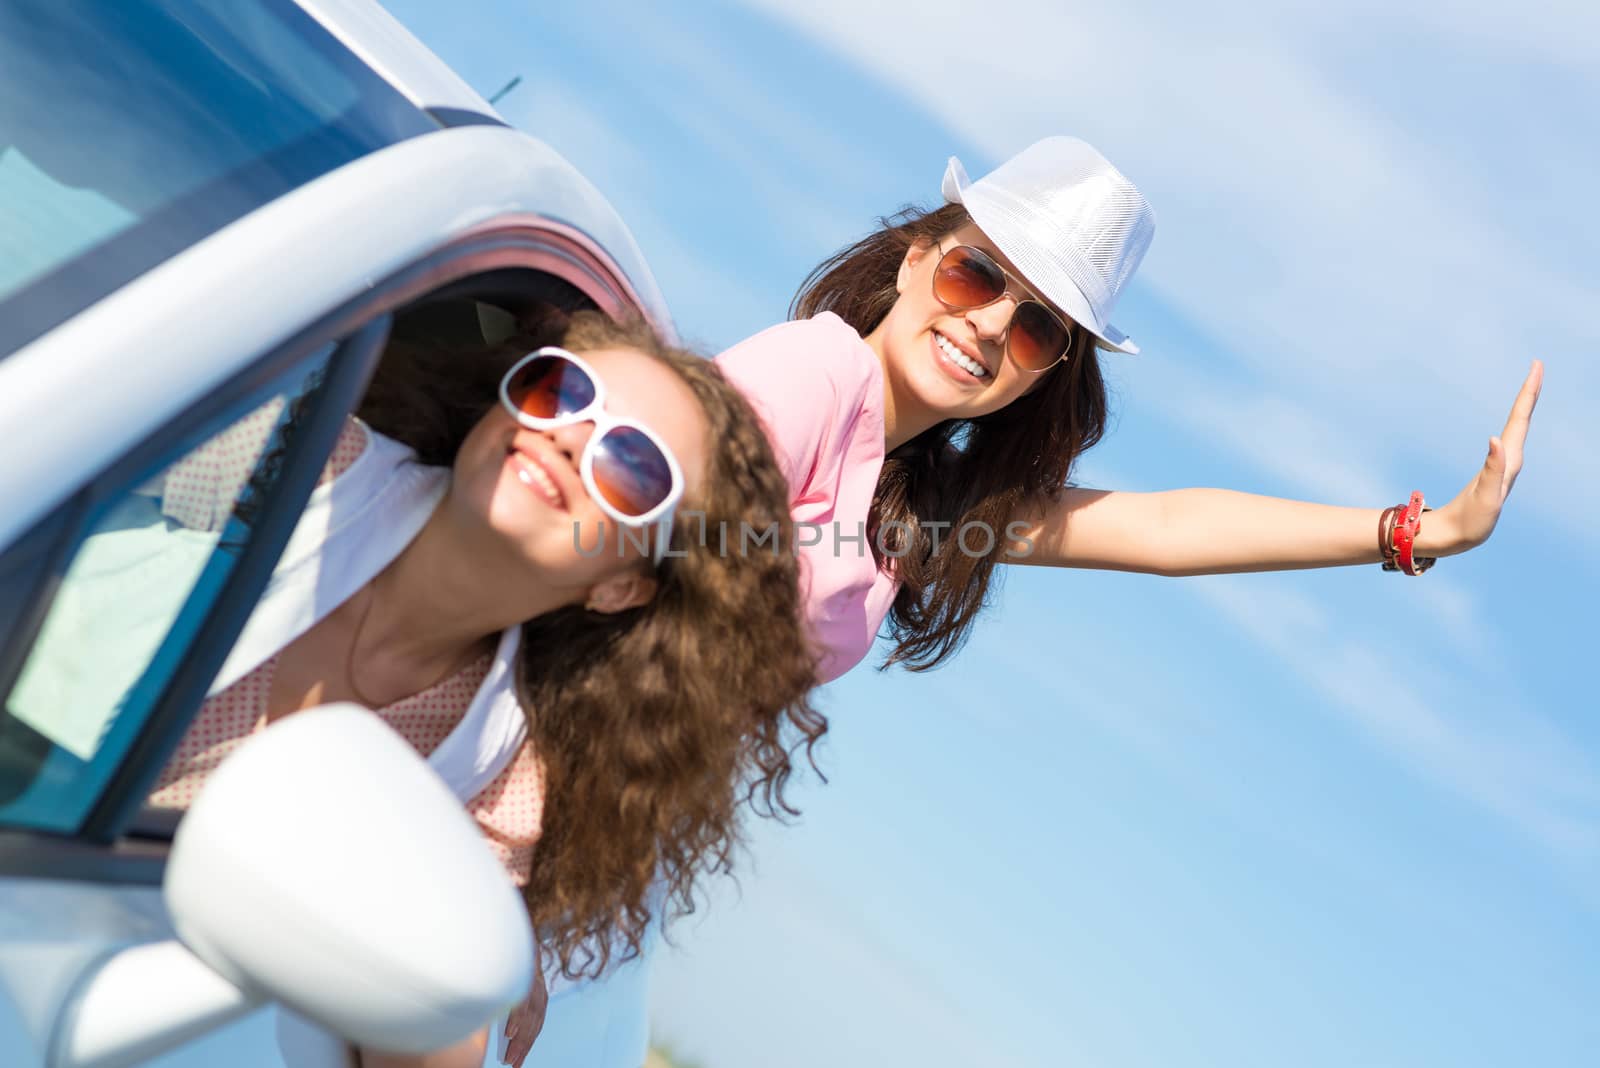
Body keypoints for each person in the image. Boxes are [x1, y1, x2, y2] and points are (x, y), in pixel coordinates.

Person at [146, 312, 823, 1068]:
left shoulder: (498, 773)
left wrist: (482, 958)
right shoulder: (293, 456)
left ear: (622, 587)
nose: (569, 436)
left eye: (631, 465)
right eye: (563, 392)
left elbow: (436, 1010)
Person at [715, 134, 1543, 681]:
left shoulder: (915, 510)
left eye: (1040, 328)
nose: (994, 324)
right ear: (915, 261)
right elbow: (645, 515)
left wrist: (1414, 532)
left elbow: (1163, 530)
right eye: (977, 274)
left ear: (1043, 378)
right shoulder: (814, 372)